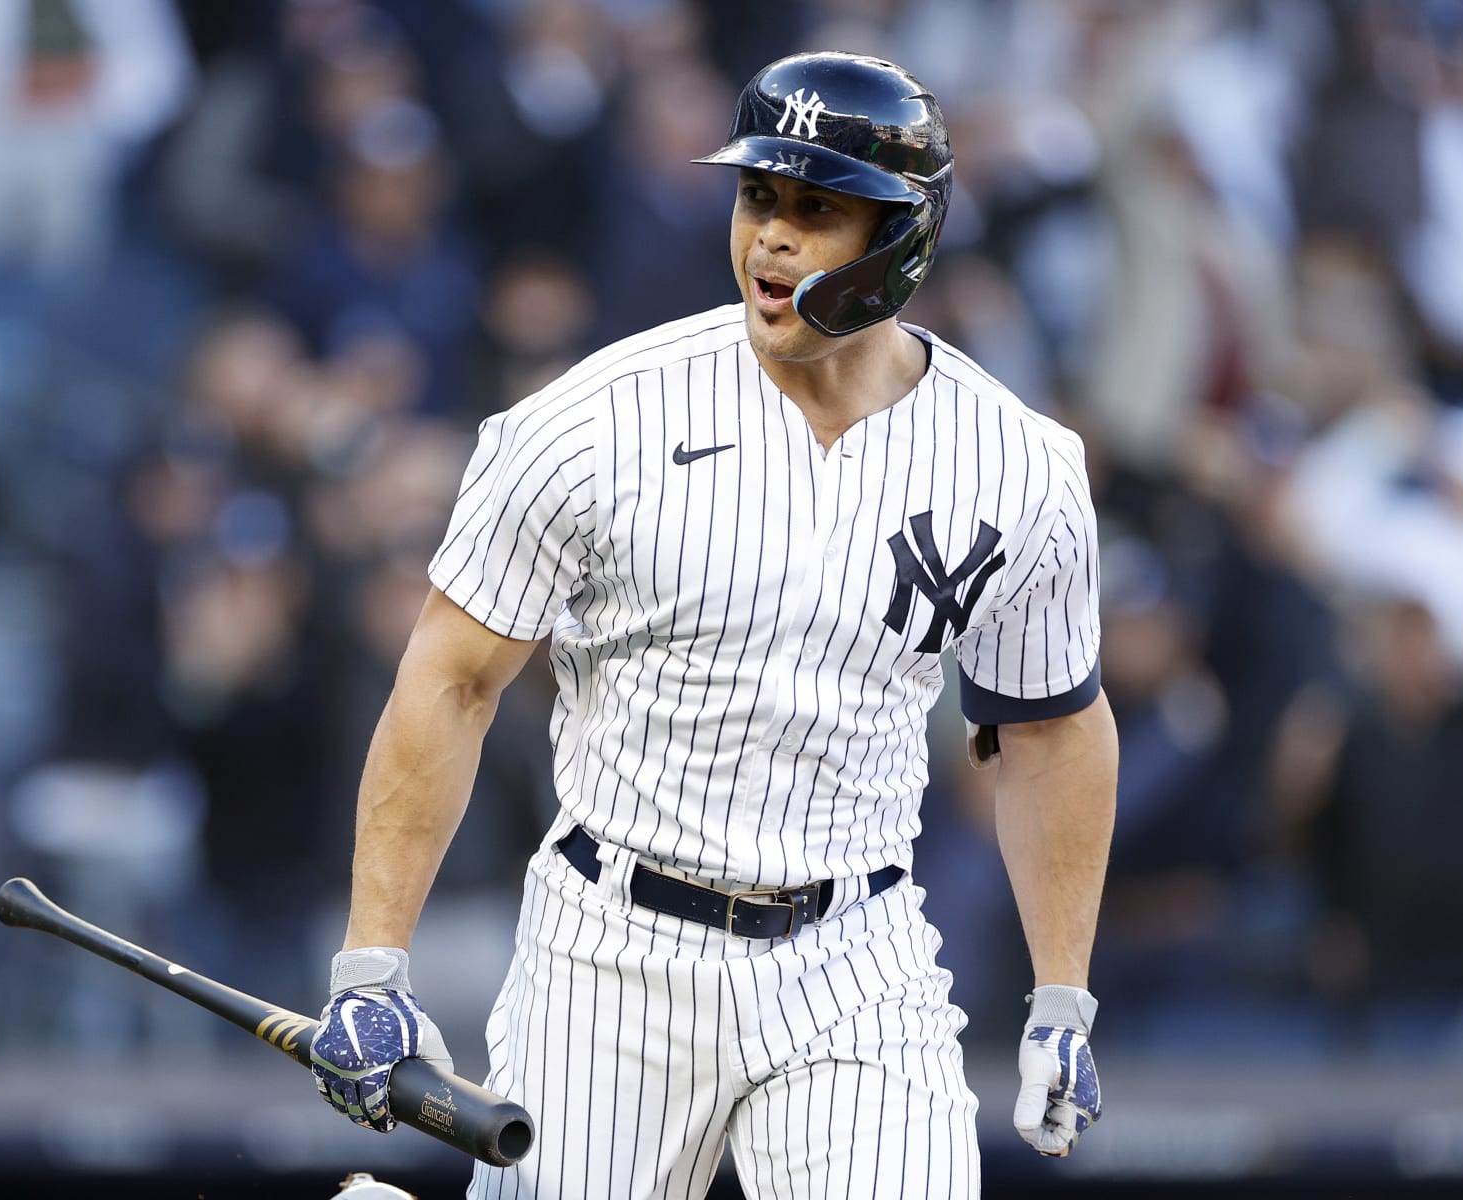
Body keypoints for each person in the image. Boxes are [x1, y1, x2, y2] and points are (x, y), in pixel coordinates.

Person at [307, 52, 1118, 1200]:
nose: (772, 239)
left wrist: (1063, 996)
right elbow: (449, 680)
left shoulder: (1022, 463)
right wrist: (373, 963)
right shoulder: (596, 420)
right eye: (759, 197)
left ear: (906, 236)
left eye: (817, 208)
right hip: (612, 951)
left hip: (856, 951)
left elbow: (1051, 730)